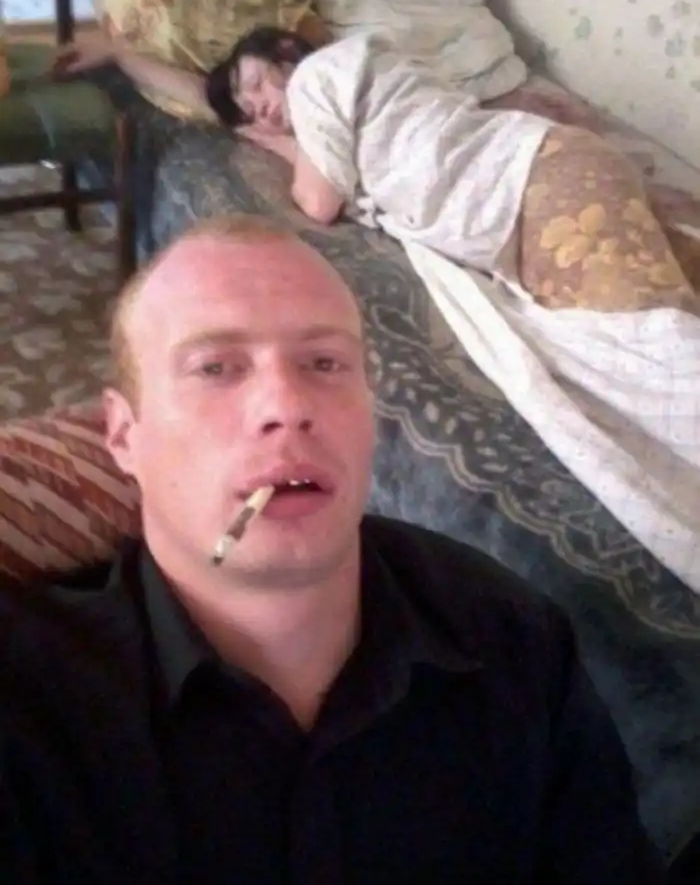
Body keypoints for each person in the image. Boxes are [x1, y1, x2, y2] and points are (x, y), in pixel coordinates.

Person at [0, 214, 665, 883]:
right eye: (216, 367)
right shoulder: (28, 704)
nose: (287, 405)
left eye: (324, 362)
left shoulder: (511, 637)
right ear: (123, 436)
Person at [55, 25, 695, 313]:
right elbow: (207, 101)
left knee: (649, 337)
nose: (262, 109)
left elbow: (317, 201)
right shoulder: (344, 100)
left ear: (287, 51)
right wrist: (121, 52)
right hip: (539, 184)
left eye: (257, 85)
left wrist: (280, 145)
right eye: (252, 110)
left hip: (536, 179)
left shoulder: (320, 76)